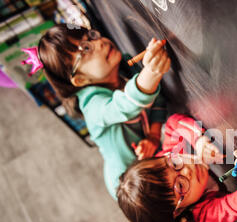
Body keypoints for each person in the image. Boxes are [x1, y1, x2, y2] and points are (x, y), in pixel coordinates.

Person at [37, 24, 170, 198]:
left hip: (152, 157)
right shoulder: (92, 106)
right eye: (85, 49)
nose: (98, 43)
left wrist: (153, 136)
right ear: (80, 79)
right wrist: (151, 72)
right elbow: (125, 106)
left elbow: (157, 98)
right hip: (128, 186)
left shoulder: (127, 67)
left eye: (91, 36)